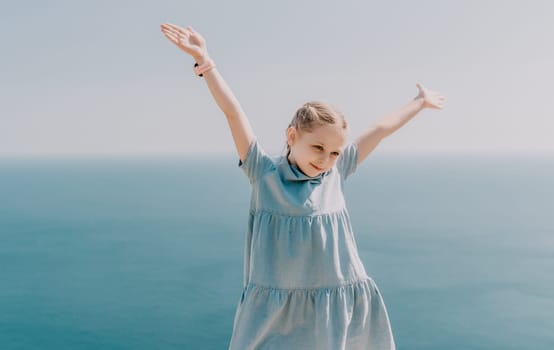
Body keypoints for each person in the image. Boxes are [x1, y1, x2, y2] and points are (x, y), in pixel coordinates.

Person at [160, 22, 445, 350]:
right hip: (275, 314)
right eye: (318, 148)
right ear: (292, 136)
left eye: (335, 152)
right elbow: (233, 114)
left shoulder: (337, 173)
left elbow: (381, 129)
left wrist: (419, 102)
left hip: (338, 304)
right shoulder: (263, 173)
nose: (326, 159)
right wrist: (205, 62)